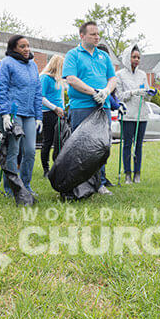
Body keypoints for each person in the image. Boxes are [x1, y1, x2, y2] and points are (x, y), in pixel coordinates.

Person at [62, 21, 117, 195]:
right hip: (82, 106)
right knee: (82, 146)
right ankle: (82, 183)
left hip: (103, 106)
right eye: (93, 34)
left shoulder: (103, 56)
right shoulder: (73, 55)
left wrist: (106, 91)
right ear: (82, 35)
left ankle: (99, 183)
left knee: (102, 145)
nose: (97, 37)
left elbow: (112, 78)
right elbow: (71, 79)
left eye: (98, 34)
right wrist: (93, 92)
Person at [0, 35, 43, 198]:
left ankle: (26, 185)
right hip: (13, 112)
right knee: (13, 151)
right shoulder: (6, 63)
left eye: (28, 46)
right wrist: (5, 113)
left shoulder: (33, 65)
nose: (26, 49)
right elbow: (1, 88)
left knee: (30, 151)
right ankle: (11, 188)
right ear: (13, 48)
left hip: (29, 113)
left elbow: (37, 91)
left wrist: (39, 116)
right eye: (22, 46)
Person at [115, 44, 156, 184]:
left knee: (138, 145)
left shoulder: (143, 74)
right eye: (134, 57)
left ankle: (137, 173)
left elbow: (146, 95)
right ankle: (127, 174)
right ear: (128, 58)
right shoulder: (119, 74)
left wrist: (149, 93)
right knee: (127, 145)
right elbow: (119, 96)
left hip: (141, 114)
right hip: (127, 115)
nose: (136, 59)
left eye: (138, 57)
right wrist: (134, 92)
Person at [39, 55, 65, 177]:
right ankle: (46, 169)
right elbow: (41, 97)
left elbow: (60, 97)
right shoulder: (45, 78)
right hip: (48, 113)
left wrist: (63, 109)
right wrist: (54, 108)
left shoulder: (58, 80)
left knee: (59, 141)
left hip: (59, 113)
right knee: (48, 141)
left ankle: (58, 166)